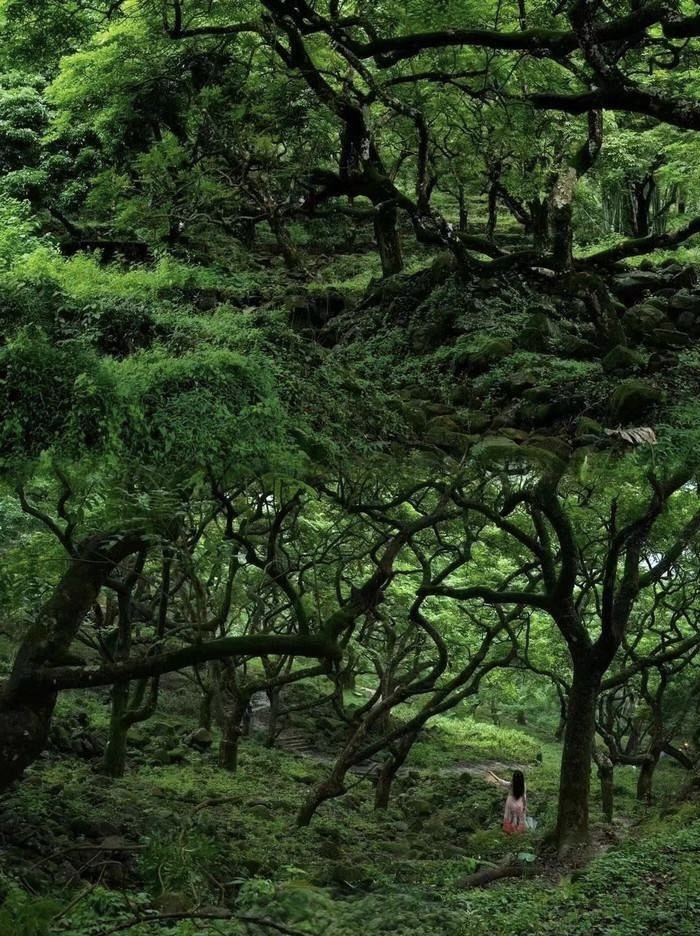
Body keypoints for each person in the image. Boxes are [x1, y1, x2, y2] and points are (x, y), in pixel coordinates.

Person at [488, 769, 528, 834]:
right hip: (520, 804)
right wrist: (525, 806)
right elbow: (524, 797)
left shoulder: (511, 784)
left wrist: (492, 774)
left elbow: (501, 781)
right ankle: (519, 831)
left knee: (509, 817)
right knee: (519, 817)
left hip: (510, 803)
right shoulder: (523, 785)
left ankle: (510, 830)